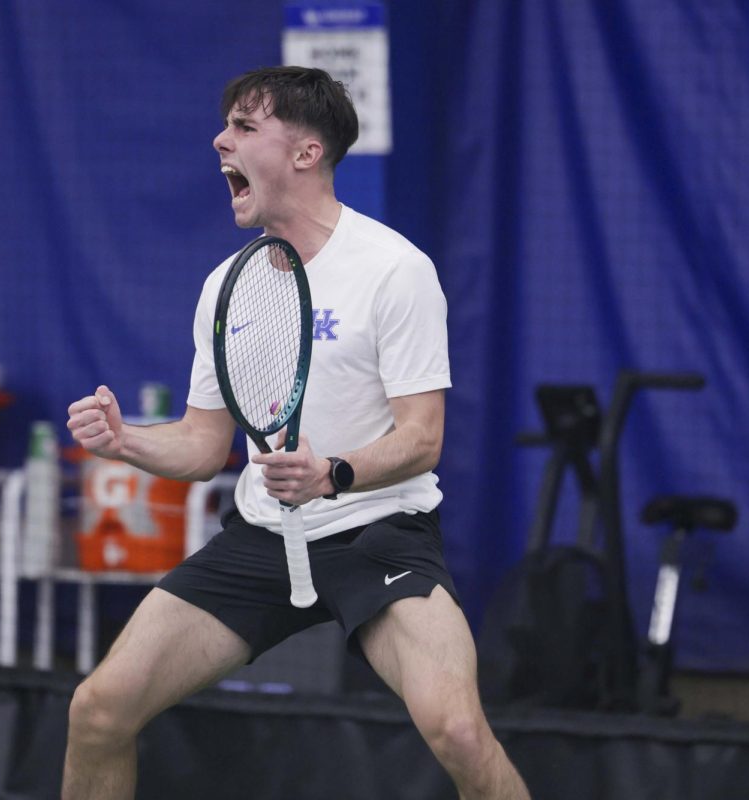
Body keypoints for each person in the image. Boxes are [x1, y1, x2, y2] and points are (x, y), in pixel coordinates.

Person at [63, 67, 530, 799]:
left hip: (376, 531)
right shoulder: (228, 285)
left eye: (245, 128)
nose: (220, 140)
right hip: (262, 540)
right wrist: (127, 442)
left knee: (461, 733)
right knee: (96, 713)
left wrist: (332, 474)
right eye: (226, 126)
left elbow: (422, 438)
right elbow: (201, 445)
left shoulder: (395, 271)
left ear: (307, 153)